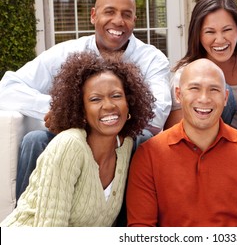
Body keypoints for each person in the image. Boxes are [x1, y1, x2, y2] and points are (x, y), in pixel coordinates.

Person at [0, 0, 171, 200]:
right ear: (93, 15)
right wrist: (60, 110)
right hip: (72, 134)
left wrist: (97, 120)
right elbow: (6, 88)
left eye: (126, 14)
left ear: (134, 20)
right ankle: (26, 224)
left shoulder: (152, 59)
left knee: (144, 138)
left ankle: (127, 227)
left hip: (121, 136)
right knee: (34, 140)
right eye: (110, 11)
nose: (118, 21)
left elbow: (157, 114)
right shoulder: (67, 52)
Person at [0, 51, 155, 226]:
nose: (109, 105)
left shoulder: (125, 145)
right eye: (95, 99)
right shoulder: (69, 145)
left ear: (130, 102)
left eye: (116, 96)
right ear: (80, 109)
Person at [126, 58, 237, 227]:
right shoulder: (149, 154)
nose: (204, 99)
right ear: (178, 94)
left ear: (225, 97)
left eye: (214, 90)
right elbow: (140, 231)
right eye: (194, 88)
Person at [164, 0, 237, 150]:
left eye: (227, 30)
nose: (220, 40)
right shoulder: (186, 74)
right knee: (217, 87)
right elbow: (174, 133)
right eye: (210, 32)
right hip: (206, 149)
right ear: (198, 34)